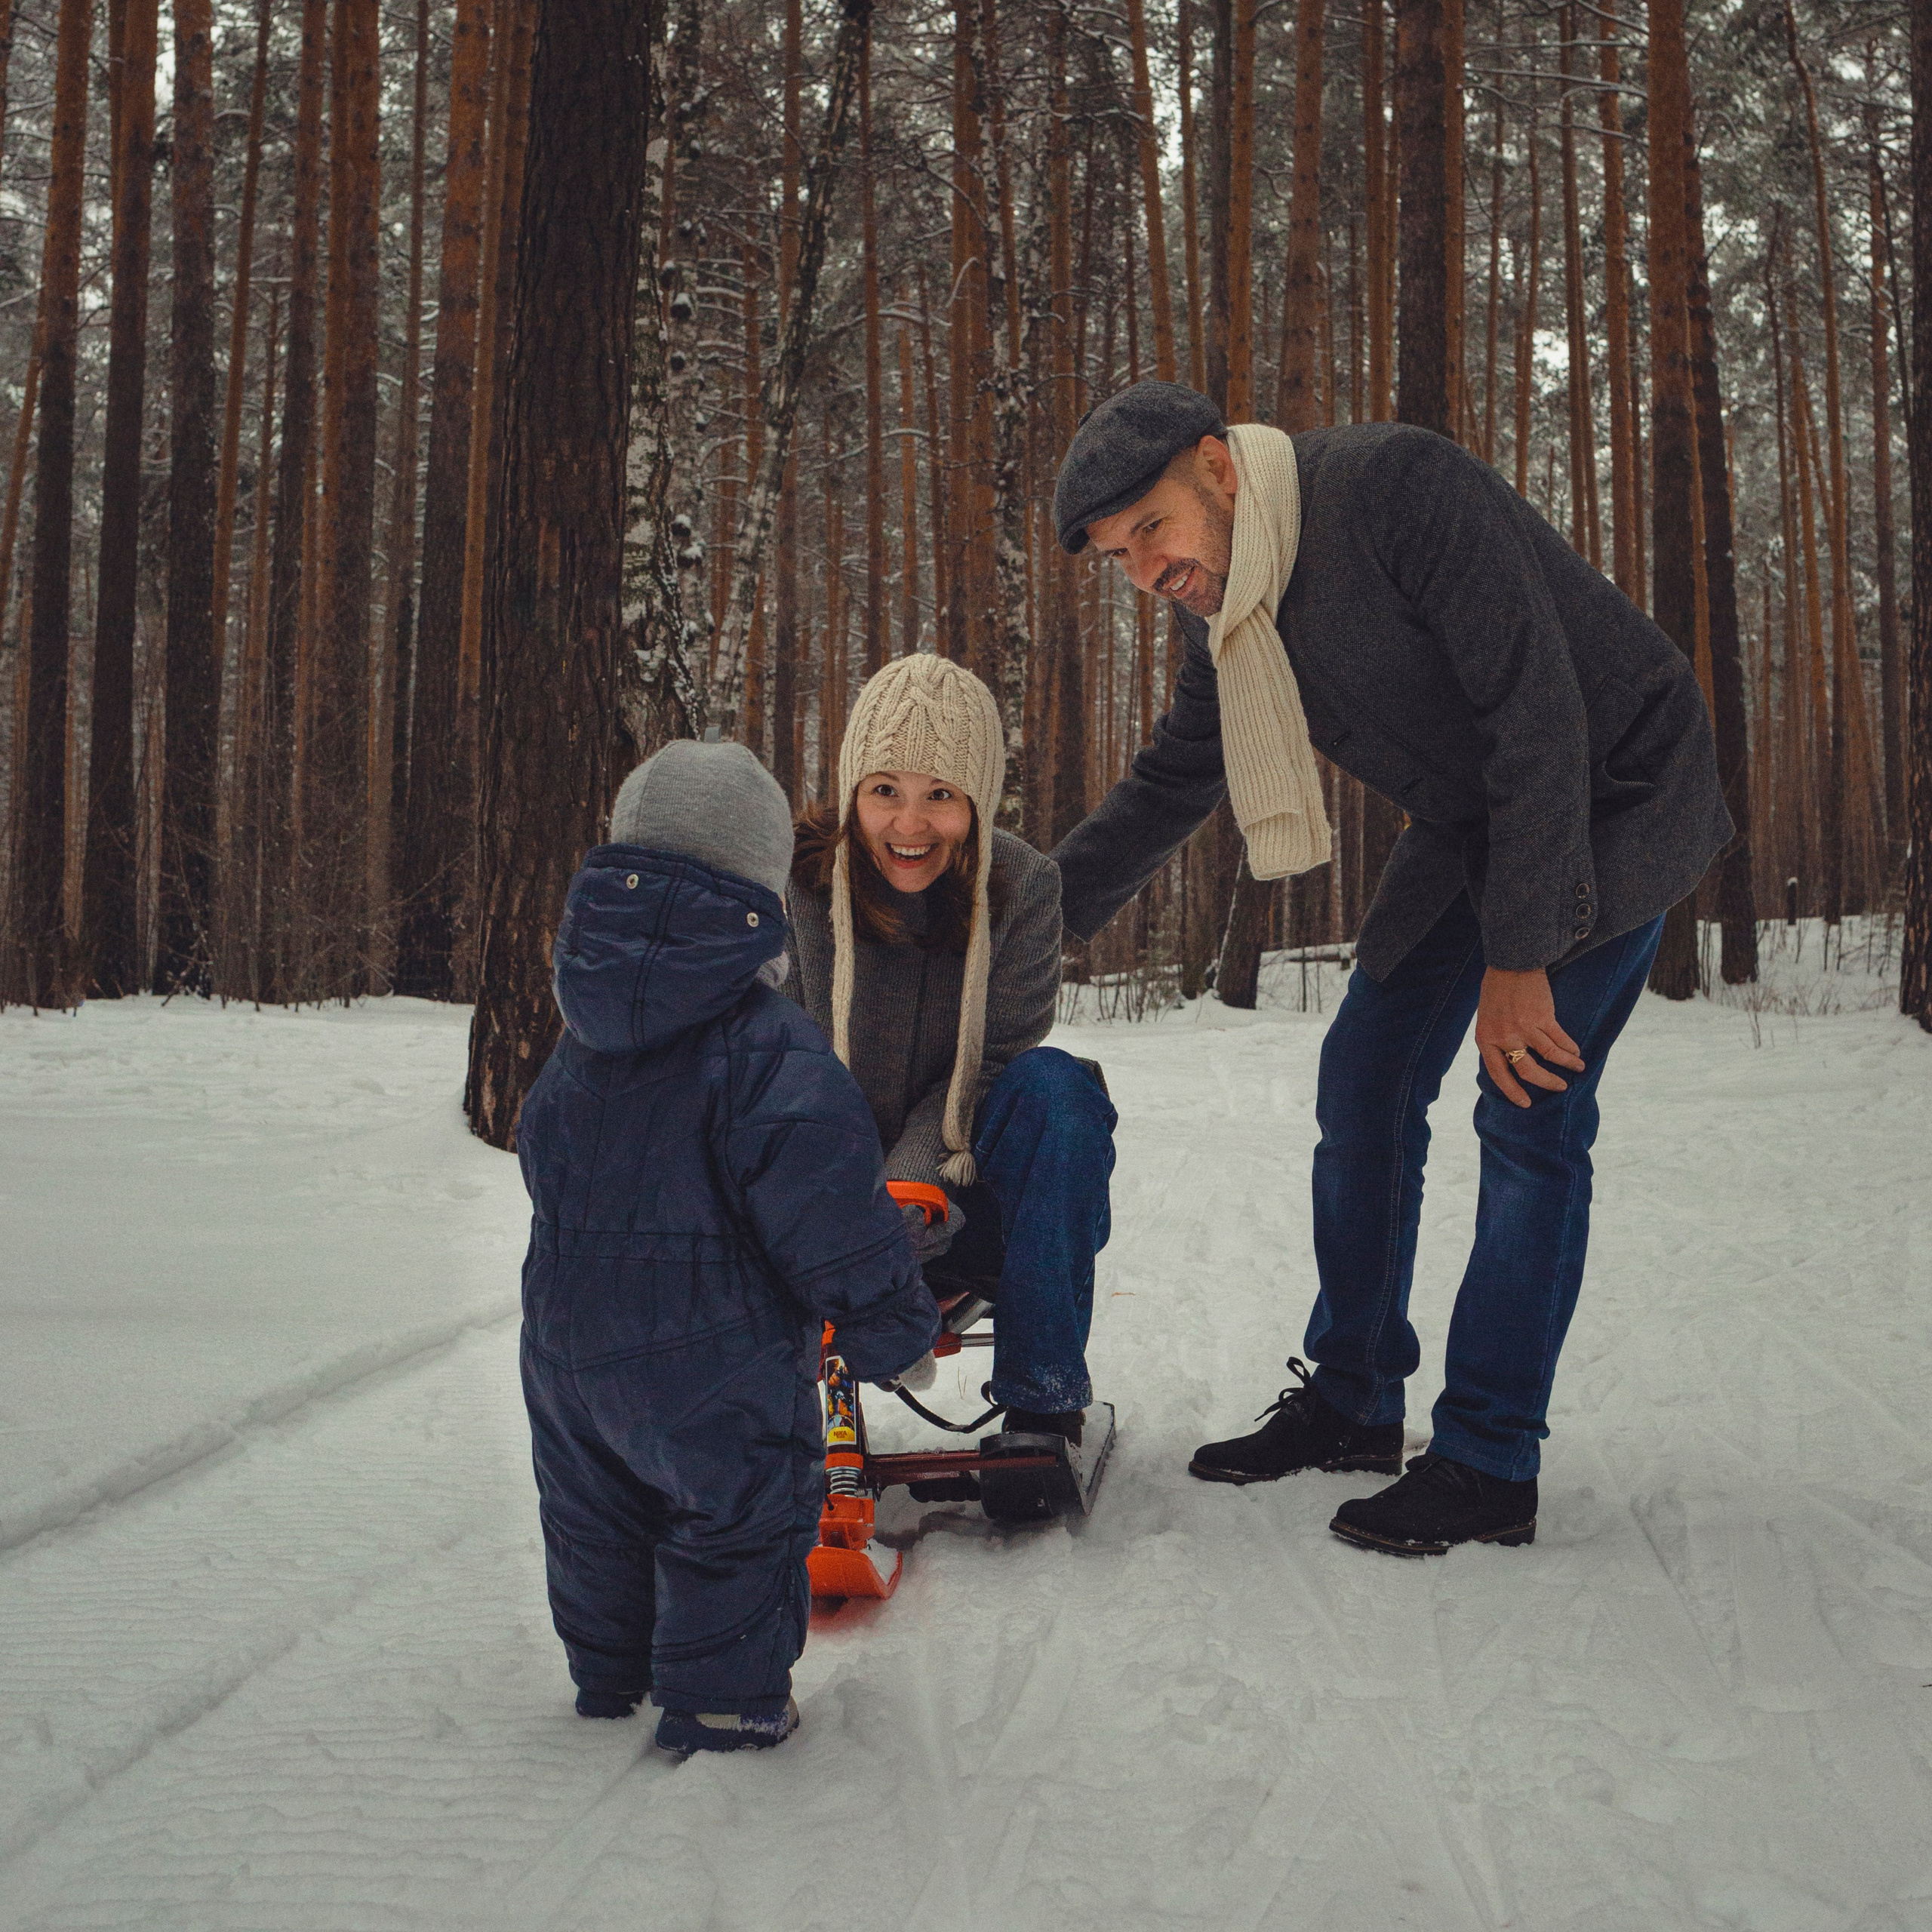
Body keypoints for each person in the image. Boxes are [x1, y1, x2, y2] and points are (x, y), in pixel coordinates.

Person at [1049, 380, 1733, 1557]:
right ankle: (1355, 1397)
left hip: (1614, 783)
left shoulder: (1397, 489)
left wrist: (1521, 953)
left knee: (1527, 1104)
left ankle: (1489, 1459)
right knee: (1364, 1076)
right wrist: (1024, 921)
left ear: (1218, 466)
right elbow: (1173, 779)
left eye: (1152, 528)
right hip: (1479, 816)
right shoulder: (1223, 606)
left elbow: (1537, 710)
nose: (1148, 572)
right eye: (1120, 556)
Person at [515, 740, 940, 1756]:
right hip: (713, 1349)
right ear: (759, 888)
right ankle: (721, 1697)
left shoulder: (580, 1039)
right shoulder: (771, 1047)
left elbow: (542, 1156)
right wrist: (894, 1331)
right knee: (738, 1507)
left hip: (565, 1350)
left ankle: (609, 1671)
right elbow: (830, 1213)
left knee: (594, 1510)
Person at [783, 653, 1117, 1444]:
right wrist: (848, 1212)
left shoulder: (1024, 886)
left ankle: (1043, 1399)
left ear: (978, 800)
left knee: (1058, 1089)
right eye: (885, 791)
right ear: (852, 791)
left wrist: (910, 1188)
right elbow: (769, 1068)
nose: (910, 825)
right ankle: (743, 1419)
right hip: (815, 1202)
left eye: (940, 795)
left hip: (961, 1197)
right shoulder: (791, 886)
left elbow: (996, 1058)